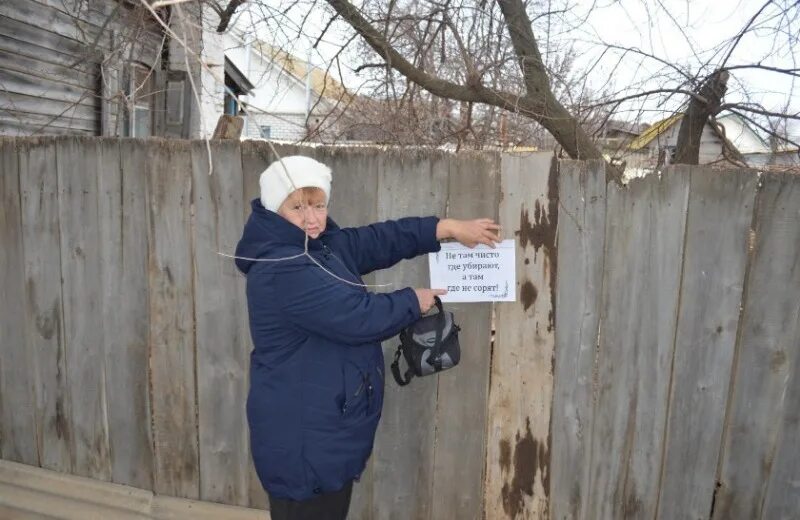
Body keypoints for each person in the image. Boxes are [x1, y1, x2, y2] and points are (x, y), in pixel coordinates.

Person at [235, 155, 500, 520]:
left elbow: (377, 241)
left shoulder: (317, 247)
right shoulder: (284, 267)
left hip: (320, 430)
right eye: (298, 207)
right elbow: (358, 317)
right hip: (303, 441)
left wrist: (446, 228)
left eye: (318, 205)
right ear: (274, 208)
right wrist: (414, 300)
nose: (311, 218)